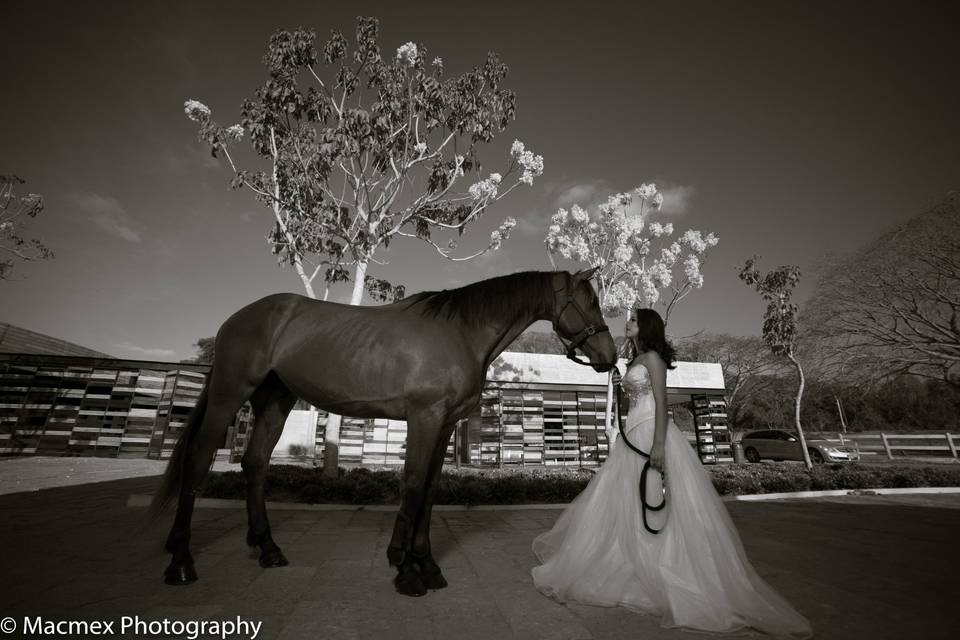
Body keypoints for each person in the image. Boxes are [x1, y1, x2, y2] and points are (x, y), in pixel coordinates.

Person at [531, 309, 813, 638]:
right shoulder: (635, 358)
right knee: (626, 502)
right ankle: (629, 564)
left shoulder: (653, 358)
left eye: (633, 319)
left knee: (653, 501)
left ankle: (662, 567)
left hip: (651, 432)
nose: (628, 323)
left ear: (646, 326)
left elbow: (662, 403)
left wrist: (660, 445)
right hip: (631, 435)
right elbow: (635, 399)